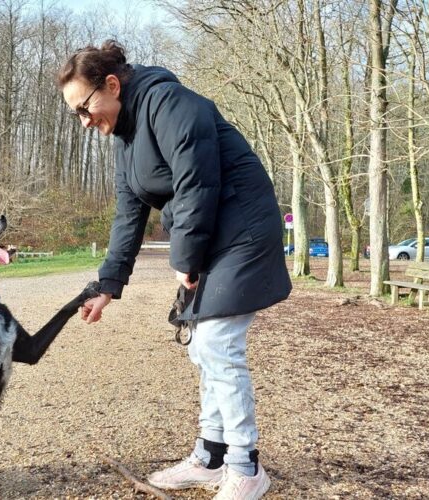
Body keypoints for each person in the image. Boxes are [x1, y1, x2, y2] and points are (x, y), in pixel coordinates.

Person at [58, 40, 291, 500]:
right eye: (76, 115)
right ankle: (211, 456)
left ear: (111, 84)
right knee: (203, 350)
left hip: (242, 228)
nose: (85, 122)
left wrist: (185, 260)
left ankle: (246, 467)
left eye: (85, 108)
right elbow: (128, 214)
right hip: (211, 236)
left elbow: (196, 184)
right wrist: (108, 284)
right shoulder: (124, 137)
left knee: (217, 343)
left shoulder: (169, 102)